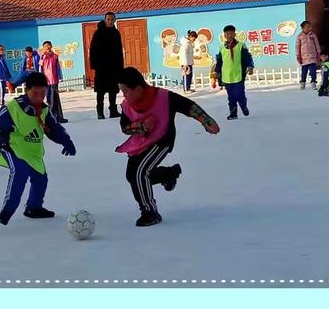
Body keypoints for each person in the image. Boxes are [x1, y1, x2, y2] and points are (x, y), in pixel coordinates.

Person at [0, 72, 76, 225]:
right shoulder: (13, 109)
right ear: (27, 90)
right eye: (35, 93)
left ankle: (34, 208)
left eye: (43, 93)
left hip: (32, 151)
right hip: (11, 146)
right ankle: (7, 211)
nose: (39, 97)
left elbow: (55, 128)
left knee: (41, 179)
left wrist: (67, 142)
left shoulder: (43, 110)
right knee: (20, 173)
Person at [116, 67, 220, 227]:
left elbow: (188, 106)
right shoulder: (127, 105)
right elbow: (124, 127)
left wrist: (206, 121)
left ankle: (149, 211)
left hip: (162, 140)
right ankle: (167, 175)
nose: (124, 95)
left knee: (140, 172)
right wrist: (141, 127)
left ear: (137, 88)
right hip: (140, 142)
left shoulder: (163, 97)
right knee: (132, 175)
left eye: (126, 91)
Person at [215, 25, 254, 120]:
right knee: (231, 96)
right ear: (224, 35)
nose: (229, 35)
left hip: (238, 74)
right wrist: (217, 72)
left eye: (231, 33)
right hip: (227, 76)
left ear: (234, 34)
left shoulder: (241, 46)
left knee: (239, 94)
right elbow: (219, 61)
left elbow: (247, 57)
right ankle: (233, 113)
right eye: (227, 33)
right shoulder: (221, 47)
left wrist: (250, 66)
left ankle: (243, 105)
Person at [89, 12, 124, 119]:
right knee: (100, 90)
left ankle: (113, 110)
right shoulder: (98, 33)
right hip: (101, 67)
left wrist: (120, 67)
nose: (110, 21)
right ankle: (100, 111)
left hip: (113, 66)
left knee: (113, 89)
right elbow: (93, 49)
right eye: (108, 19)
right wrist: (94, 64)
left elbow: (119, 51)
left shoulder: (116, 33)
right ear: (105, 20)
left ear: (115, 20)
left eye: (112, 19)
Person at [39, 41, 68, 123]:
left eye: (48, 45)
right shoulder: (42, 57)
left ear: (51, 46)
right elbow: (40, 68)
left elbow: (58, 68)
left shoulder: (55, 56)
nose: (47, 47)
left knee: (56, 99)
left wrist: (60, 77)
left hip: (54, 80)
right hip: (46, 81)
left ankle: (59, 117)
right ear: (43, 48)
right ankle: (51, 118)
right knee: (49, 99)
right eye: (45, 46)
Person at [296, 21, 321, 90]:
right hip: (304, 58)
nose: (309, 28)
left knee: (313, 71)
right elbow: (297, 46)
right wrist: (298, 56)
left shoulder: (313, 35)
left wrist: (318, 53)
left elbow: (316, 44)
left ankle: (313, 83)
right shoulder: (299, 36)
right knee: (304, 72)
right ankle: (302, 83)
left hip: (312, 57)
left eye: (309, 27)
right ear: (302, 28)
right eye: (307, 27)